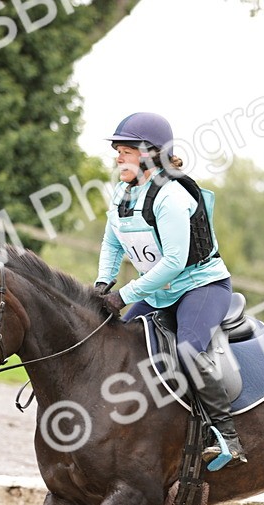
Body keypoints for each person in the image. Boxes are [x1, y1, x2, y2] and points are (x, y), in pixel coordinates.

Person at [95, 111, 246, 467]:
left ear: (149, 153)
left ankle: (227, 436)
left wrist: (124, 295)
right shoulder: (122, 192)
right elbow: (112, 242)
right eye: (117, 150)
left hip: (201, 287)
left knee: (189, 350)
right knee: (115, 341)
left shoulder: (171, 197)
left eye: (125, 150)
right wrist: (104, 282)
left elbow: (174, 262)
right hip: (159, 292)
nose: (118, 157)